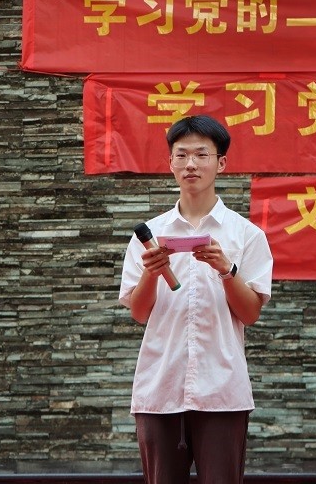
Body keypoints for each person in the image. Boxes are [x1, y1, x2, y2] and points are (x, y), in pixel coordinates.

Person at [119, 114, 273, 484]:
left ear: (221, 163)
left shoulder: (246, 235)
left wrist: (226, 270)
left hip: (222, 389)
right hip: (160, 386)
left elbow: (250, 313)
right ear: (170, 163)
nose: (191, 164)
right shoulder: (150, 235)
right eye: (182, 155)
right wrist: (152, 272)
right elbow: (139, 313)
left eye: (202, 155)